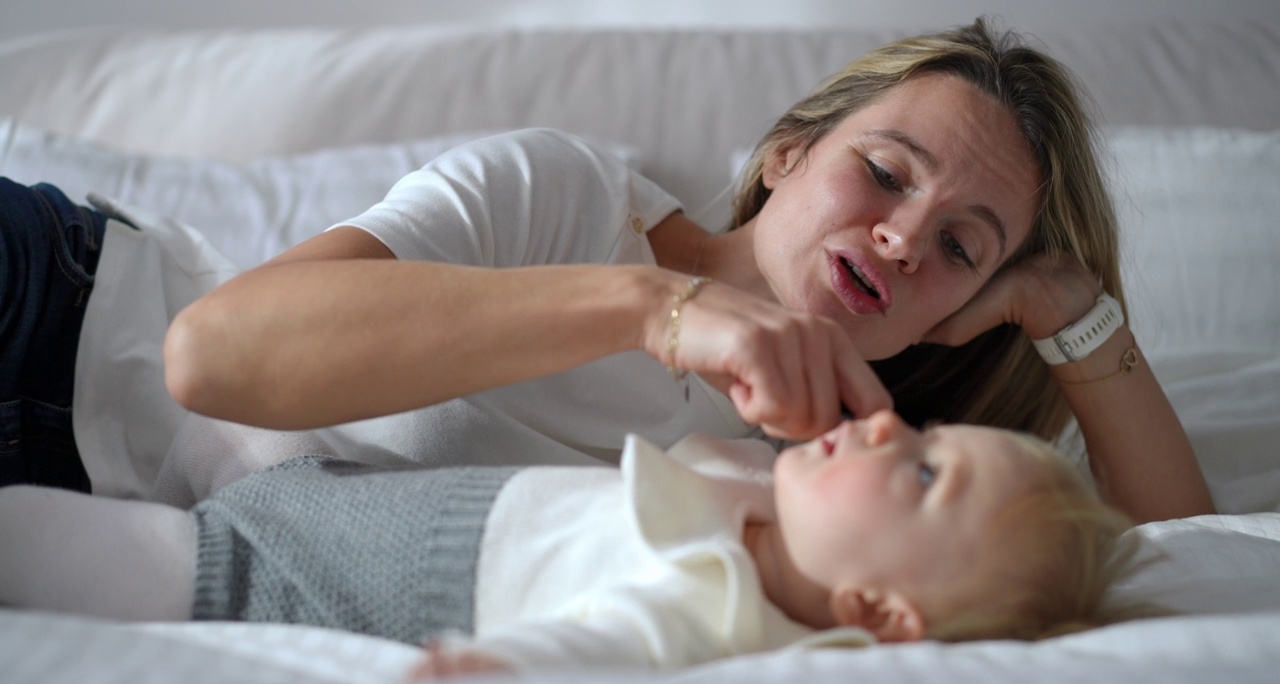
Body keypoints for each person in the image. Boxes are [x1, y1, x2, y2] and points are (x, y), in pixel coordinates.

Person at [0, 19, 1213, 523]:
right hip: (54, 305)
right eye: (885, 174)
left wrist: (1062, 307)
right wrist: (657, 309)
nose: (902, 238)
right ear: (786, 156)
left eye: (961, 246)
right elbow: (210, 354)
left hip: (68, 502)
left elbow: (1179, 551)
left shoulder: (847, 468)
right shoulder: (567, 194)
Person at [0, 410, 1142, 677]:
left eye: (925, 471)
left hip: (248, 576)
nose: (889, 422)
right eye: (928, 429)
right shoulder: (756, 500)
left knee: (25, 535)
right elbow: (694, 444)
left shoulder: (713, 610)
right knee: (210, 384)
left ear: (880, 611)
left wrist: (492, 674)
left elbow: (600, 650)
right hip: (316, 487)